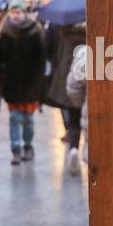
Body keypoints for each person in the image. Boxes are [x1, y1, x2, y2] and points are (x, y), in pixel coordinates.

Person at [0, 0, 46, 164]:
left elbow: (40, 61)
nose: (15, 15)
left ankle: (28, 146)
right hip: (12, 84)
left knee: (28, 120)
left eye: (18, 12)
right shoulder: (6, 33)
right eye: (13, 12)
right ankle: (16, 149)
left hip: (30, 84)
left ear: (25, 14)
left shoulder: (35, 33)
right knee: (14, 118)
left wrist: (39, 84)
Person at [44, 21, 87, 176]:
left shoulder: (65, 35)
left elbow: (52, 53)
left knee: (73, 122)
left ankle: (74, 148)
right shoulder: (90, 36)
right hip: (89, 85)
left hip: (68, 82)